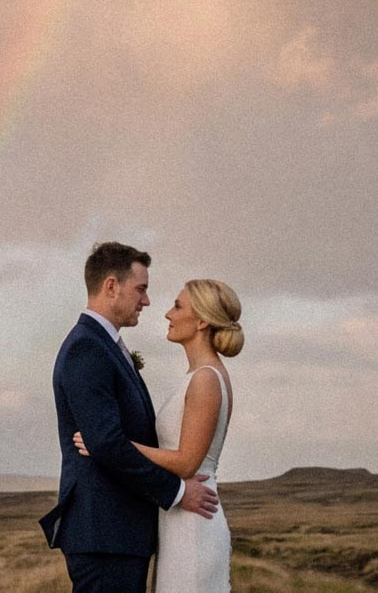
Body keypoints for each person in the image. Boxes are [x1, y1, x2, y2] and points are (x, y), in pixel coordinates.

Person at [40, 242, 221, 593]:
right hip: (105, 533)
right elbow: (105, 444)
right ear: (111, 286)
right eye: (141, 289)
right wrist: (177, 492)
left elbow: (109, 442)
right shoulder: (87, 348)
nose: (147, 301)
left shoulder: (104, 346)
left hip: (119, 535)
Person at [72, 275, 242, 593]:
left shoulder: (206, 379)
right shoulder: (196, 375)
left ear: (202, 321)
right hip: (177, 521)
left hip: (194, 525)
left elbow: (186, 463)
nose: (167, 313)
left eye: (178, 306)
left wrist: (111, 445)